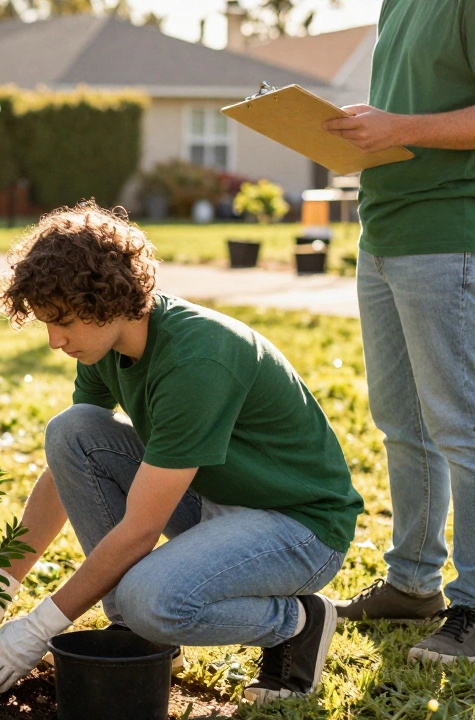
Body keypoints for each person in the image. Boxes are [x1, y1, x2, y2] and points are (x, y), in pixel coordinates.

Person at [0, 202, 362, 707]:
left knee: (147, 600)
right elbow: (69, 466)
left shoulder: (196, 359)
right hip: (217, 503)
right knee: (72, 431)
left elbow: (140, 531)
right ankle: (145, 638)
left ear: (104, 300)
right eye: (45, 322)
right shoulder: (106, 347)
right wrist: (0, 587)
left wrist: (39, 628)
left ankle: (297, 623)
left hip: (298, 528)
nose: (54, 341)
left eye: (62, 322)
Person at [319, 0, 475, 662]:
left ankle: (472, 606)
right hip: (382, 229)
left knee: (461, 426)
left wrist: (398, 127)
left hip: (448, 232)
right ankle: (413, 584)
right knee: (401, 423)